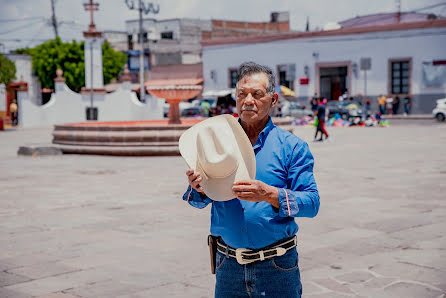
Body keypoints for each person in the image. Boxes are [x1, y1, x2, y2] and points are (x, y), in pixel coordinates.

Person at [183, 62, 320, 297]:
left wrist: (270, 194)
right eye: (241, 94)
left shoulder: (292, 147)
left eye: (257, 94)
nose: (248, 100)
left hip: (277, 268)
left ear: (273, 99)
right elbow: (197, 201)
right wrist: (199, 188)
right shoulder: (217, 144)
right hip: (228, 267)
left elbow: (312, 203)